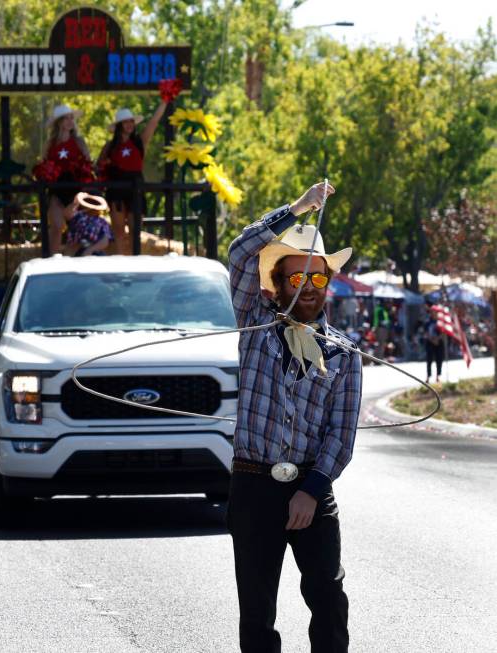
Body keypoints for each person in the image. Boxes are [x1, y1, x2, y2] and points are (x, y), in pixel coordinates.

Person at [227, 182, 363, 653]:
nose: (308, 287)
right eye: (297, 277)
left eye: (318, 278)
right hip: (252, 485)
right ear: (277, 283)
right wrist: (299, 209)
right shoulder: (254, 325)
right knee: (257, 610)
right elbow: (241, 252)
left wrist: (310, 491)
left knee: (328, 596)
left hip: (311, 485)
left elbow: (340, 436)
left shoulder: (345, 355)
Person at [96, 101, 168, 255]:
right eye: (125, 122)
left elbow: (154, 122)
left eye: (131, 121)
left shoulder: (139, 142)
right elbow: (98, 168)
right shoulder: (109, 146)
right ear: (118, 125)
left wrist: (164, 102)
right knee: (119, 231)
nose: (129, 125)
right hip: (116, 190)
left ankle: (136, 261)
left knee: (135, 230)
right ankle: (121, 262)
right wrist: (106, 165)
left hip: (135, 187)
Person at [42, 105, 92, 254]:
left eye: (72, 118)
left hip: (75, 190)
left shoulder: (79, 142)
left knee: (77, 229)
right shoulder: (49, 144)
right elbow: (43, 165)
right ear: (59, 122)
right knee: (57, 226)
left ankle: (69, 261)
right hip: (56, 190)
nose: (71, 121)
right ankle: (52, 262)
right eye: (67, 118)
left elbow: (88, 163)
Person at [64, 192, 114, 257]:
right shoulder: (78, 216)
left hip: (93, 251)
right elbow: (67, 214)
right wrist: (76, 202)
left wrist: (90, 250)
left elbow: (105, 241)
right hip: (74, 250)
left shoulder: (102, 222)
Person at [424, 303, 444, 383]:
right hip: (430, 342)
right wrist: (432, 340)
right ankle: (428, 376)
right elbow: (425, 333)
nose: (433, 313)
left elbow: (443, 333)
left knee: (439, 359)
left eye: (435, 312)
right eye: (432, 312)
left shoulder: (441, 321)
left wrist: (438, 339)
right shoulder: (427, 321)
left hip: (439, 343)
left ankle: (438, 376)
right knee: (429, 360)